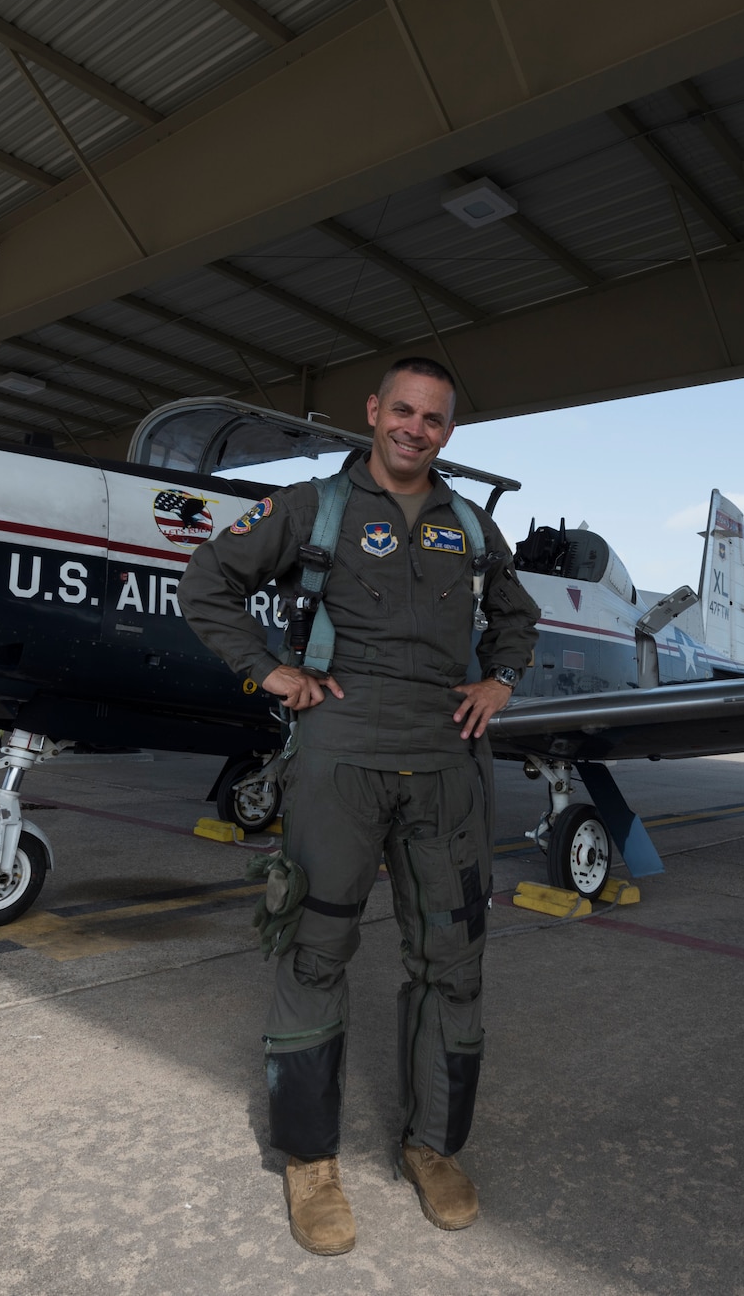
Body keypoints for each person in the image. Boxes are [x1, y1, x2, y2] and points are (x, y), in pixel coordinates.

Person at [179, 357, 540, 1255]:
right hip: (340, 748)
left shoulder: (470, 523)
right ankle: (309, 1158)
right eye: (403, 411)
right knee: (315, 947)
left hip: (447, 753)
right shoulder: (309, 508)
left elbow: (517, 617)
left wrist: (500, 678)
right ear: (374, 412)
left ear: (448, 432)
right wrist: (268, 669)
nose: (416, 428)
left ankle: (434, 1146)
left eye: (435, 419)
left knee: (452, 960)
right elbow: (206, 584)